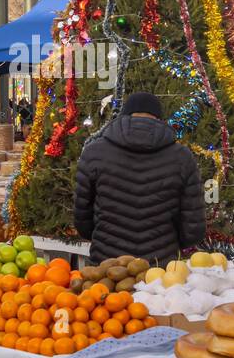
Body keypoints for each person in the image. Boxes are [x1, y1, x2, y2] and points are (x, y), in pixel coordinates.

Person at [73, 93, 206, 265]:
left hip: (108, 267)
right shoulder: (182, 157)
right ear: (158, 118)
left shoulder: (94, 152)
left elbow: (82, 215)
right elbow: (193, 227)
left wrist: (104, 238)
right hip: (159, 269)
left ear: (125, 114)